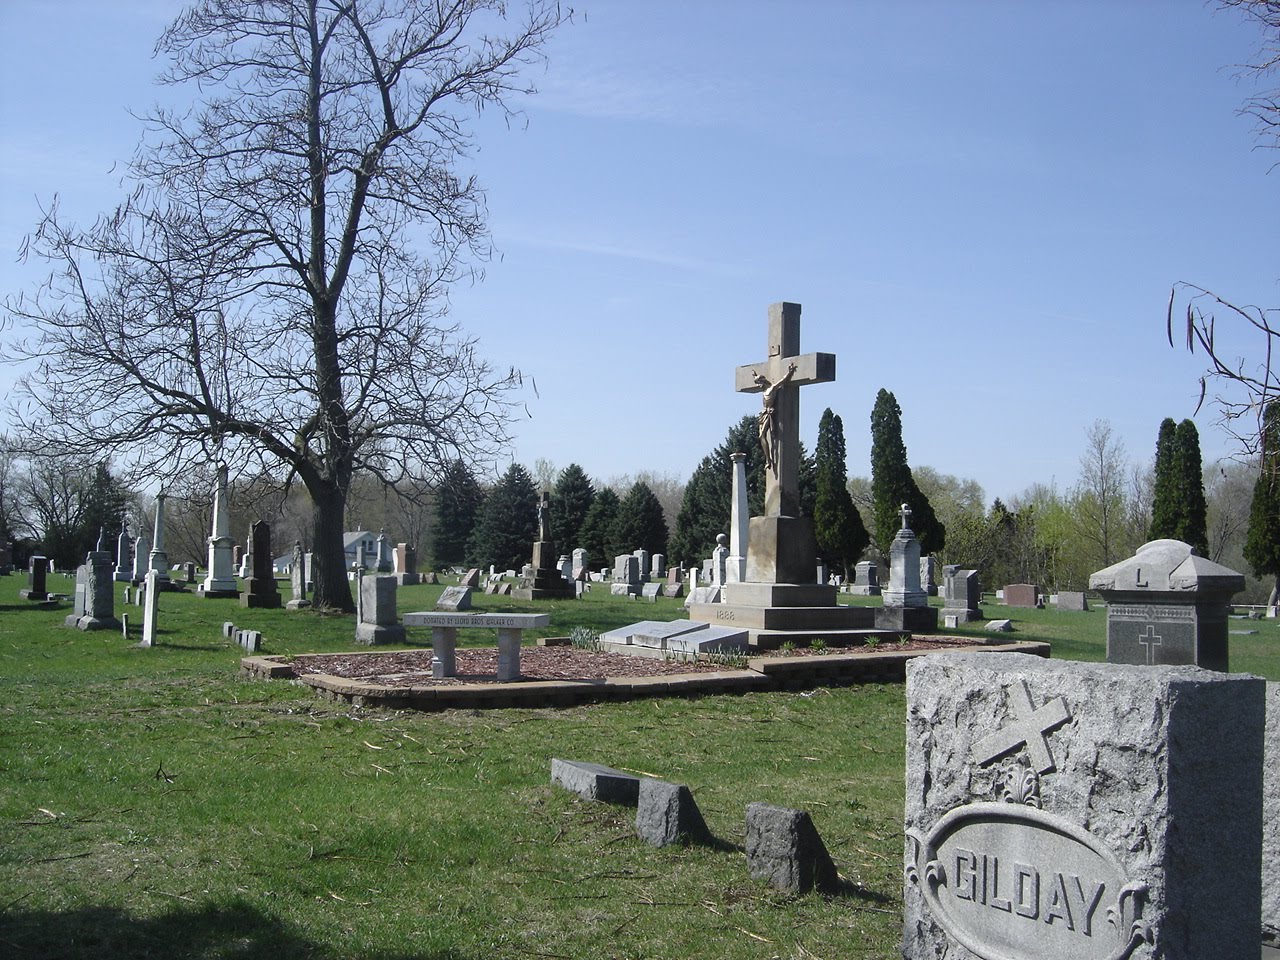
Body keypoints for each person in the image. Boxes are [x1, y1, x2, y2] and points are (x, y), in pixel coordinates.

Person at [752, 362, 797, 474]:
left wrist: (790, 371)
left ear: (763, 381)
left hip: (770, 414)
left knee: (763, 435)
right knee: (761, 436)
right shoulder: (763, 392)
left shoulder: (772, 388)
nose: (758, 386)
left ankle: (768, 459)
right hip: (763, 414)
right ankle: (768, 458)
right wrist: (754, 374)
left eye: (759, 383)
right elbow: (756, 378)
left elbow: (783, 380)